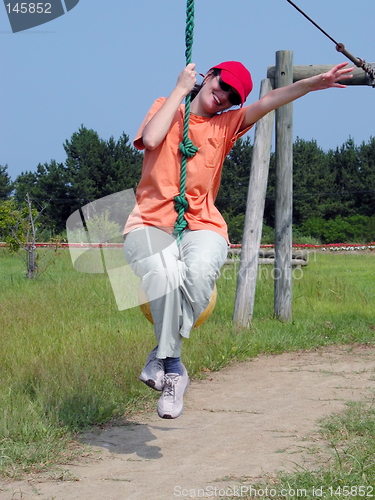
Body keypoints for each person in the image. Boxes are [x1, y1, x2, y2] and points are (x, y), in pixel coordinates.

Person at [123, 60, 353, 419]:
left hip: (203, 224)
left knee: (198, 276)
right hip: (150, 221)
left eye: (231, 97)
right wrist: (181, 89)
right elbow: (150, 139)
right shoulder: (166, 105)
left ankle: (163, 357)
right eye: (221, 86)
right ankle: (174, 368)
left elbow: (271, 100)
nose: (223, 97)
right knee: (162, 274)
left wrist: (312, 83)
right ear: (209, 76)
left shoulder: (227, 125)